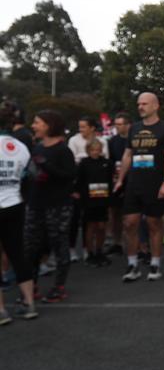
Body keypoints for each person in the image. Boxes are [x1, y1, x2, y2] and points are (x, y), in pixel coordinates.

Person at [114, 92, 164, 282]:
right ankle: (133, 263)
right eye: (139, 104)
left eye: (145, 103)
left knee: (154, 224)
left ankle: (155, 262)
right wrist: (120, 180)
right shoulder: (134, 129)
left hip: (155, 184)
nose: (140, 106)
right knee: (129, 223)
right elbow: (127, 155)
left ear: (156, 106)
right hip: (134, 183)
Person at [24, 110, 77, 303]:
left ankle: (59, 287)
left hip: (58, 207)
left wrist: (46, 166)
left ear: (48, 125)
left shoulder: (63, 150)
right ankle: (32, 287)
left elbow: (70, 176)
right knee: (31, 247)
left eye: (37, 122)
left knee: (59, 245)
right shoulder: (37, 148)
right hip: (35, 205)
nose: (33, 126)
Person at [0, 99, 39, 322]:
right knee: (18, 254)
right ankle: (29, 303)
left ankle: (1, 311)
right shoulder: (21, 147)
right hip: (15, 204)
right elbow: (31, 174)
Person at [74, 138, 114, 266]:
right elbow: (78, 181)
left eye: (97, 150)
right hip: (88, 199)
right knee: (90, 226)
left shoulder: (107, 163)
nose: (95, 152)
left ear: (101, 150)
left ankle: (99, 251)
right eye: (92, 150)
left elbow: (110, 180)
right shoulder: (84, 163)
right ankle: (89, 253)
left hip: (103, 198)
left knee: (102, 226)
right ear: (88, 150)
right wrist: (77, 193)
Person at [105, 111, 131, 255]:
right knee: (114, 212)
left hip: (132, 179)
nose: (118, 127)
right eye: (117, 124)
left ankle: (136, 244)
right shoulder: (113, 141)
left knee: (131, 215)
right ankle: (117, 242)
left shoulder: (134, 139)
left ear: (128, 125)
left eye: (121, 124)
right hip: (117, 179)